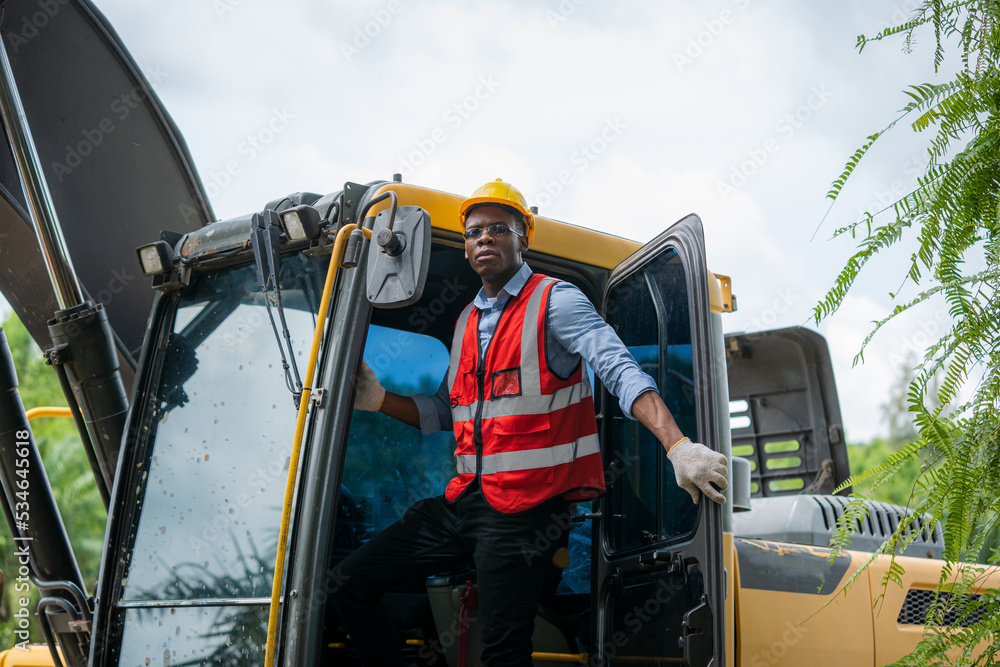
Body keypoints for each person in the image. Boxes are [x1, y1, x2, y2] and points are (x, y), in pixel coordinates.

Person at [334, 179, 729, 666]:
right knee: (350, 584)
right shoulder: (463, 323)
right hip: (466, 501)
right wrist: (379, 400)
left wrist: (677, 446)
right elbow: (442, 411)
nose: (484, 238)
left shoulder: (554, 301)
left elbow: (618, 369)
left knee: (503, 653)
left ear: (525, 237)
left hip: (526, 511)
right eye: (474, 231)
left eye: (499, 228)